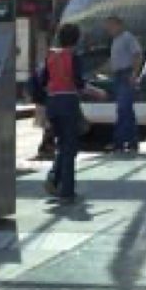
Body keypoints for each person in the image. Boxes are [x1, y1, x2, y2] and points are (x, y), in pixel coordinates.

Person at [41, 23, 102, 203]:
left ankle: (54, 178)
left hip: (52, 102)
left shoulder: (50, 56)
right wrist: (97, 91)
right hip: (68, 102)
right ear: (77, 39)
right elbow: (78, 83)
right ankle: (66, 190)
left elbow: (43, 79)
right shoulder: (73, 57)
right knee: (70, 146)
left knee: (64, 144)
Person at [106, 16, 143, 153]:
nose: (108, 29)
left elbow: (138, 55)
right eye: (107, 26)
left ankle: (119, 142)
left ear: (119, 24)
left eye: (111, 25)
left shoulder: (128, 37)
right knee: (126, 110)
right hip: (118, 76)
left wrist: (134, 74)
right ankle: (132, 142)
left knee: (122, 109)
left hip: (125, 75)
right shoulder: (115, 40)